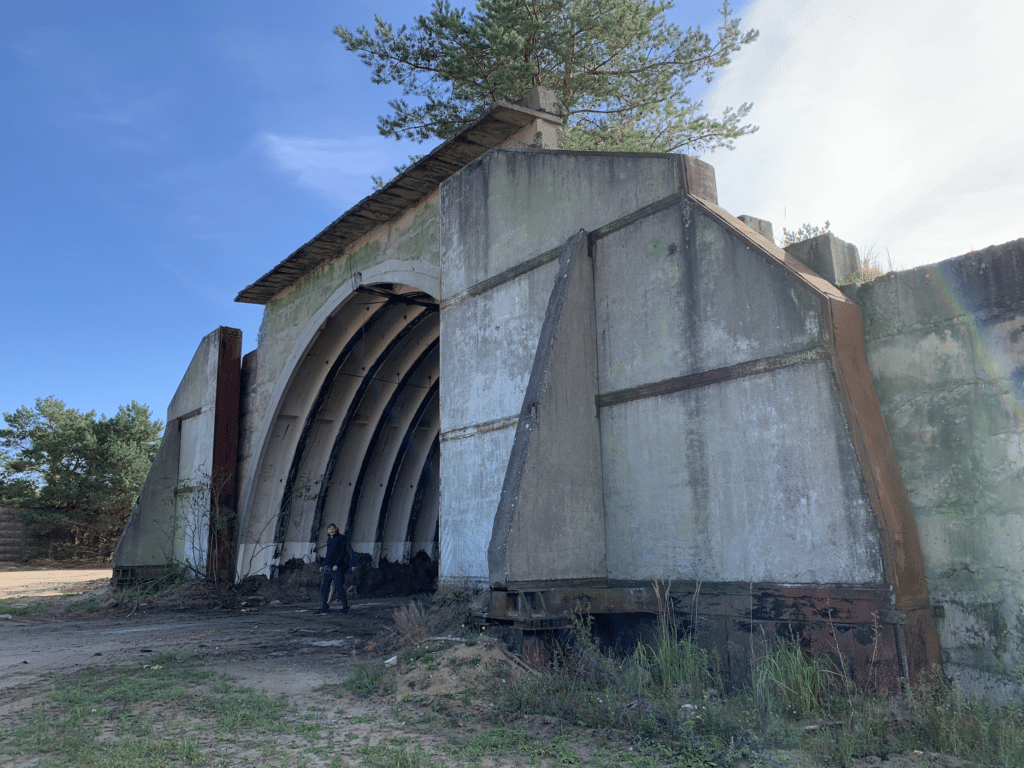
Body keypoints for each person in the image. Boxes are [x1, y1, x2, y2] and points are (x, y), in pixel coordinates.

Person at [316, 523, 356, 615]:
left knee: (339, 587)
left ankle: (346, 608)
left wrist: (337, 564)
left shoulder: (341, 538)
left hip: (339, 567)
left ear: (336, 529)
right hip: (329, 566)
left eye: (333, 529)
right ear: (327, 531)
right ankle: (323, 608)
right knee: (324, 586)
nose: (331, 531)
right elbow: (328, 554)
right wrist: (323, 565)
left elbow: (343, 552)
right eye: (329, 529)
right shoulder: (329, 539)